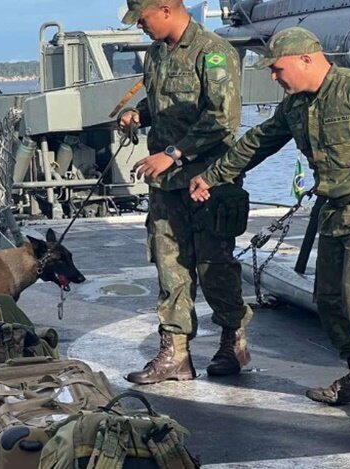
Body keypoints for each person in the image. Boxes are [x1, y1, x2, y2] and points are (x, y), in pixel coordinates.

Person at [189, 27, 350, 420]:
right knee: (330, 298)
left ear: (306, 59)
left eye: (278, 69)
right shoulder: (296, 106)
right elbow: (258, 141)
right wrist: (213, 175)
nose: (274, 77)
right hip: (333, 211)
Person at [117, 0, 253, 385]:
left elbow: (222, 119)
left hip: (208, 180)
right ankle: (175, 353)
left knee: (214, 266)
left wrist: (173, 154)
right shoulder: (157, 53)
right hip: (167, 185)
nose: (140, 27)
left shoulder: (214, 53)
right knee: (169, 265)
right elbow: (164, 102)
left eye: (142, 19)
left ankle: (232, 339)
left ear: (165, 9)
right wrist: (138, 115)